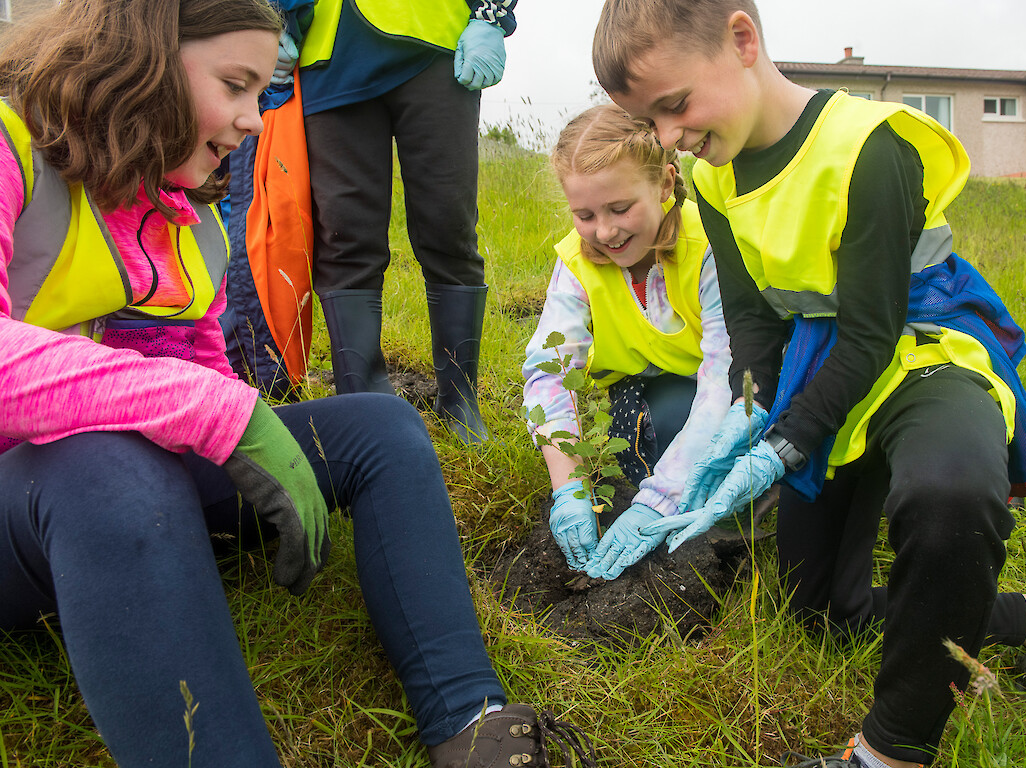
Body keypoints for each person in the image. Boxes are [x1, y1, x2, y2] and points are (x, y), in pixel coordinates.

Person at [0, 2, 596, 766]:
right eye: (235, 84)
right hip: (45, 501)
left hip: (122, 513)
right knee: (104, 463)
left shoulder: (193, 224)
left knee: (383, 425)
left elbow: (203, 376)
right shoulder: (12, 144)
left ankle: (472, 723)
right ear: (141, 53)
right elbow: (200, 404)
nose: (254, 120)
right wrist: (221, 411)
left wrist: (237, 435)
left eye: (260, 92)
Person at [591, 1, 1026, 766]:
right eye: (651, 123)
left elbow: (871, 334)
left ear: (742, 41)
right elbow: (757, 339)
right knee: (824, 616)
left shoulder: (869, 145)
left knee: (948, 495)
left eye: (674, 106)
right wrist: (703, 457)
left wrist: (786, 447)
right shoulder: (712, 178)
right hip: (822, 362)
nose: (671, 138)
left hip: (920, 350)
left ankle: (888, 751)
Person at [255, 0, 519, 443]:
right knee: (343, 232)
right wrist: (269, 18)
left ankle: (459, 394)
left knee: (449, 224)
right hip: (330, 49)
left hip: (435, 41)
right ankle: (362, 404)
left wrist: (490, 16)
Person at [522, 104, 732, 579]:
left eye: (620, 209)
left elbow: (724, 380)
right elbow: (549, 374)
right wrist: (571, 488)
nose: (606, 231)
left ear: (663, 184)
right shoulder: (576, 262)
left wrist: (660, 500)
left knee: (678, 426)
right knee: (639, 435)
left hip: (713, 396)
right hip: (636, 393)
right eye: (585, 214)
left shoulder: (708, 248)